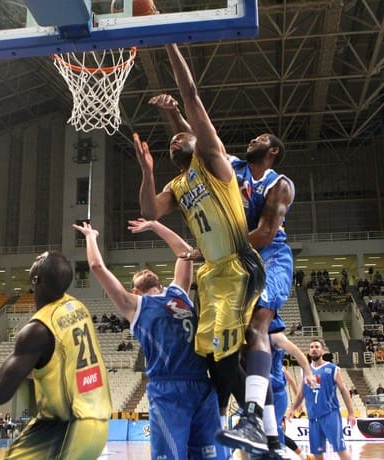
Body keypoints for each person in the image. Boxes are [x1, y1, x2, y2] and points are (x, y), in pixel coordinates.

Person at [134, 43, 267, 454]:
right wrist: (147, 171)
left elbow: (191, 97)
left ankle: (259, 426)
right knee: (211, 358)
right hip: (211, 275)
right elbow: (149, 210)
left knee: (225, 357)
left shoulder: (214, 162)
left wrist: (169, 40)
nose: (174, 141)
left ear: (198, 141)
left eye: (181, 137)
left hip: (237, 266)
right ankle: (235, 426)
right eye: (171, 142)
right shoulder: (177, 184)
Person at [149, 92, 295, 457]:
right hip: (230, 262)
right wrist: (174, 113)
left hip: (268, 256)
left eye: (261, 139)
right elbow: (197, 139)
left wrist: (210, 250)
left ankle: (258, 424)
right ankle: (267, 436)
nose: (253, 140)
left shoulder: (278, 183)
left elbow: (265, 234)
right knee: (229, 354)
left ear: (273, 151)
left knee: (257, 328)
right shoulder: (233, 167)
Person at [74, 218, 230, 460]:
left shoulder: (178, 291)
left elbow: (185, 252)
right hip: (168, 390)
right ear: (133, 290)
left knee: (214, 457)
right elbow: (97, 267)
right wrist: (91, 237)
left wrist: (155, 225)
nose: (145, 270)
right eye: (138, 274)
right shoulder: (135, 305)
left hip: (201, 384)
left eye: (147, 270)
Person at [0, 251, 111, 459]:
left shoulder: (37, 331)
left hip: (67, 428)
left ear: (35, 279)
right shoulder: (78, 307)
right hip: (98, 426)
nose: (37, 257)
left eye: (40, 259)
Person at [287, 339, 356, 460]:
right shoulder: (305, 371)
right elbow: (301, 393)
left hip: (330, 415)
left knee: (340, 449)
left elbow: (344, 390)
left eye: (317, 347)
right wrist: (292, 408)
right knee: (317, 453)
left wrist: (351, 412)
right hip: (313, 418)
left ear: (322, 351)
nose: (314, 349)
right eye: (311, 347)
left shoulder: (333, 369)